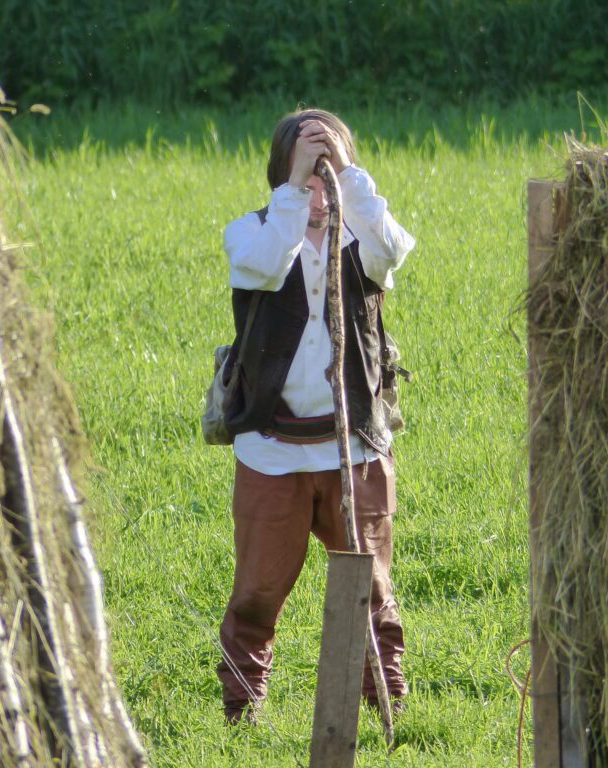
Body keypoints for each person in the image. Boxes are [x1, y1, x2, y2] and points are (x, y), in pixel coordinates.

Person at [217, 108, 416, 724]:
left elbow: (394, 251)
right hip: (273, 450)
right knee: (257, 591)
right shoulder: (251, 234)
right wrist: (296, 191)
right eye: (309, 175)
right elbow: (267, 266)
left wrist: (348, 175)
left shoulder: (363, 240)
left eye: (329, 176)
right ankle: (242, 706)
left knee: (372, 590)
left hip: (353, 447)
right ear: (283, 176)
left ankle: (384, 698)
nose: (321, 192)